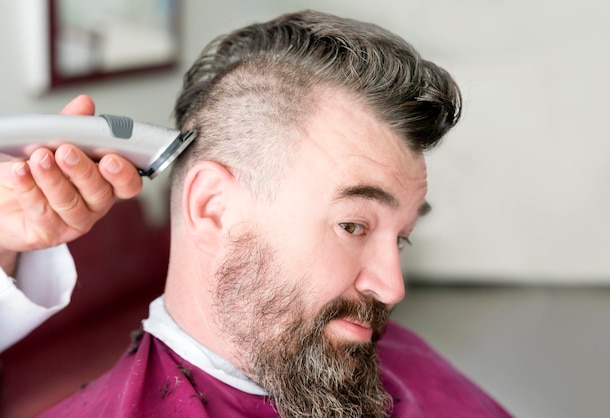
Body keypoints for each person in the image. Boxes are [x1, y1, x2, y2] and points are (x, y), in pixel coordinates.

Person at [0, 10, 512, 418]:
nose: (392, 286)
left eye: (400, 238)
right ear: (213, 209)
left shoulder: (401, 362)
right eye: (353, 225)